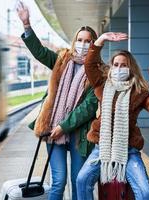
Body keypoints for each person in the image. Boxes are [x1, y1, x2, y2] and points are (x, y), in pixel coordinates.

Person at [16, 2, 99, 200]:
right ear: (74, 41)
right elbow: (41, 53)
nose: (83, 44)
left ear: (94, 44)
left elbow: (88, 108)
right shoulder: (62, 60)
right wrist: (27, 24)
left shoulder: (98, 72)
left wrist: (64, 126)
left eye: (88, 41)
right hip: (53, 131)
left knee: (78, 181)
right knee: (58, 181)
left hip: (79, 135)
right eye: (80, 39)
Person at [76, 32, 149, 200]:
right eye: (115, 65)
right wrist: (101, 39)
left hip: (129, 151)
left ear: (130, 68)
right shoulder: (102, 85)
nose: (118, 69)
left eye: (123, 65)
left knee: (145, 192)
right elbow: (89, 65)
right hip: (101, 148)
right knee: (82, 180)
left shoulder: (138, 91)